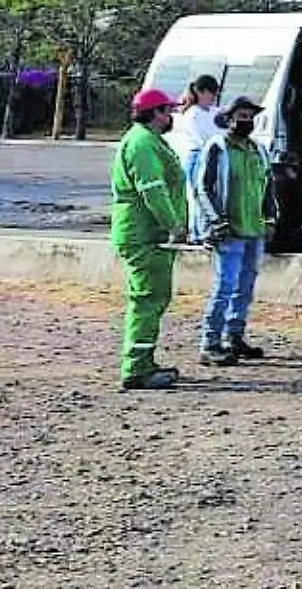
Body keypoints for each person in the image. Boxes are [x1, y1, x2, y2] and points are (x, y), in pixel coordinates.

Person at [110, 88, 190, 391]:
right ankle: (136, 368)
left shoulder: (148, 141)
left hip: (146, 233)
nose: (170, 116)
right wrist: (174, 224)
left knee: (152, 297)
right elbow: (152, 190)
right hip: (145, 234)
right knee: (148, 299)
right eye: (166, 111)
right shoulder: (143, 143)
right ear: (155, 113)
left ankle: (144, 360)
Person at [192, 96, 276, 366]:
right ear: (228, 119)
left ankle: (234, 336)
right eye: (242, 116)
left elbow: (267, 186)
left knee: (245, 286)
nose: (247, 121)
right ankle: (210, 342)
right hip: (228, 229)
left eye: (250, 117)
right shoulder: (217, 147)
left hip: (254, 228)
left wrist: (271, 217)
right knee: (225, 287)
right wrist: (215, 221)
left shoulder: (258, 150)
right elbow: (202, 187)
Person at [177, 74, 223, 245]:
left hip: (214, 156)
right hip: (197, 156)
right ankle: (197, 233)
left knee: (213, 195)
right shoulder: (192, 114)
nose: (213, 97)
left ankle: (208, 230)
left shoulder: (215, 112)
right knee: (198, 196)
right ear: (200, 92)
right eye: (211, 93)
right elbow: (202, 138)